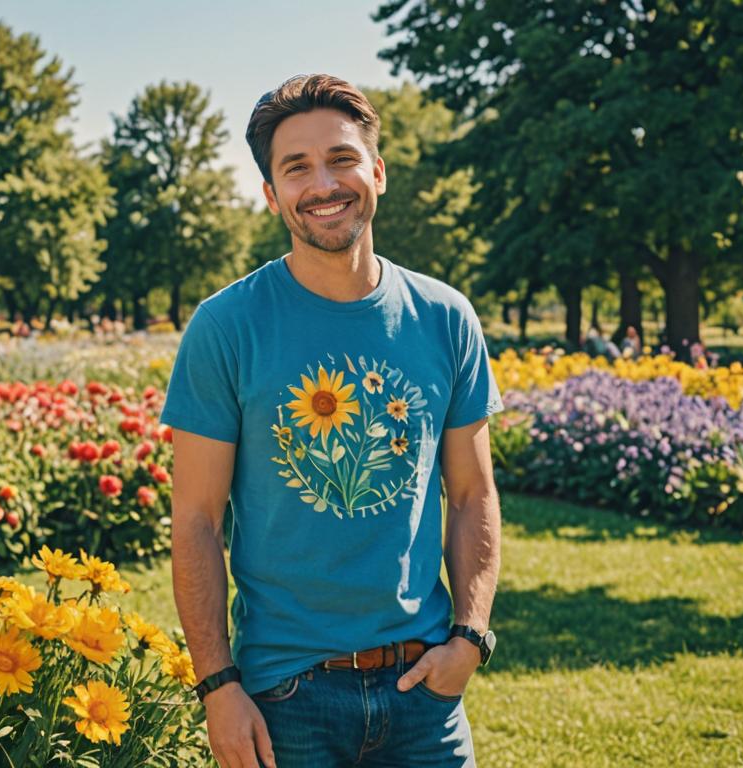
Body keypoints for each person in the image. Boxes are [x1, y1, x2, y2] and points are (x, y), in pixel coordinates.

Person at [163, 75, 502, 768]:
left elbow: (472, 495)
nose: (324, 183)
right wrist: (218, 688)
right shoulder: (226, 327)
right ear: (271, 195)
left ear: (377, 171)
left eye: (342, 158)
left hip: (424, 697)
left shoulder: (445, 318)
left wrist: (469, 638)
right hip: (284, 699)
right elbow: (195, 520)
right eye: (297, 167)